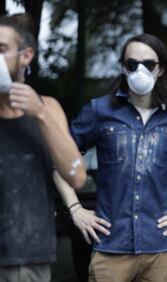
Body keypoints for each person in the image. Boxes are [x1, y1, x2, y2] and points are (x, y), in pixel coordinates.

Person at [55, 34, 167, 282]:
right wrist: (75, 209)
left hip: (161, 250)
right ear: (123, 68)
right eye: (132, 64)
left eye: (148, 64)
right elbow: (58, 159)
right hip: (111, 248)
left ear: (160, 70)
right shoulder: (99, 110)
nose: (140, 70)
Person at [0, 14, 87, 282]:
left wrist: (40, 114)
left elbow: (76, 176)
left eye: (1, 49)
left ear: (26, 56)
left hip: (29, 255)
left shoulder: (47, 108)